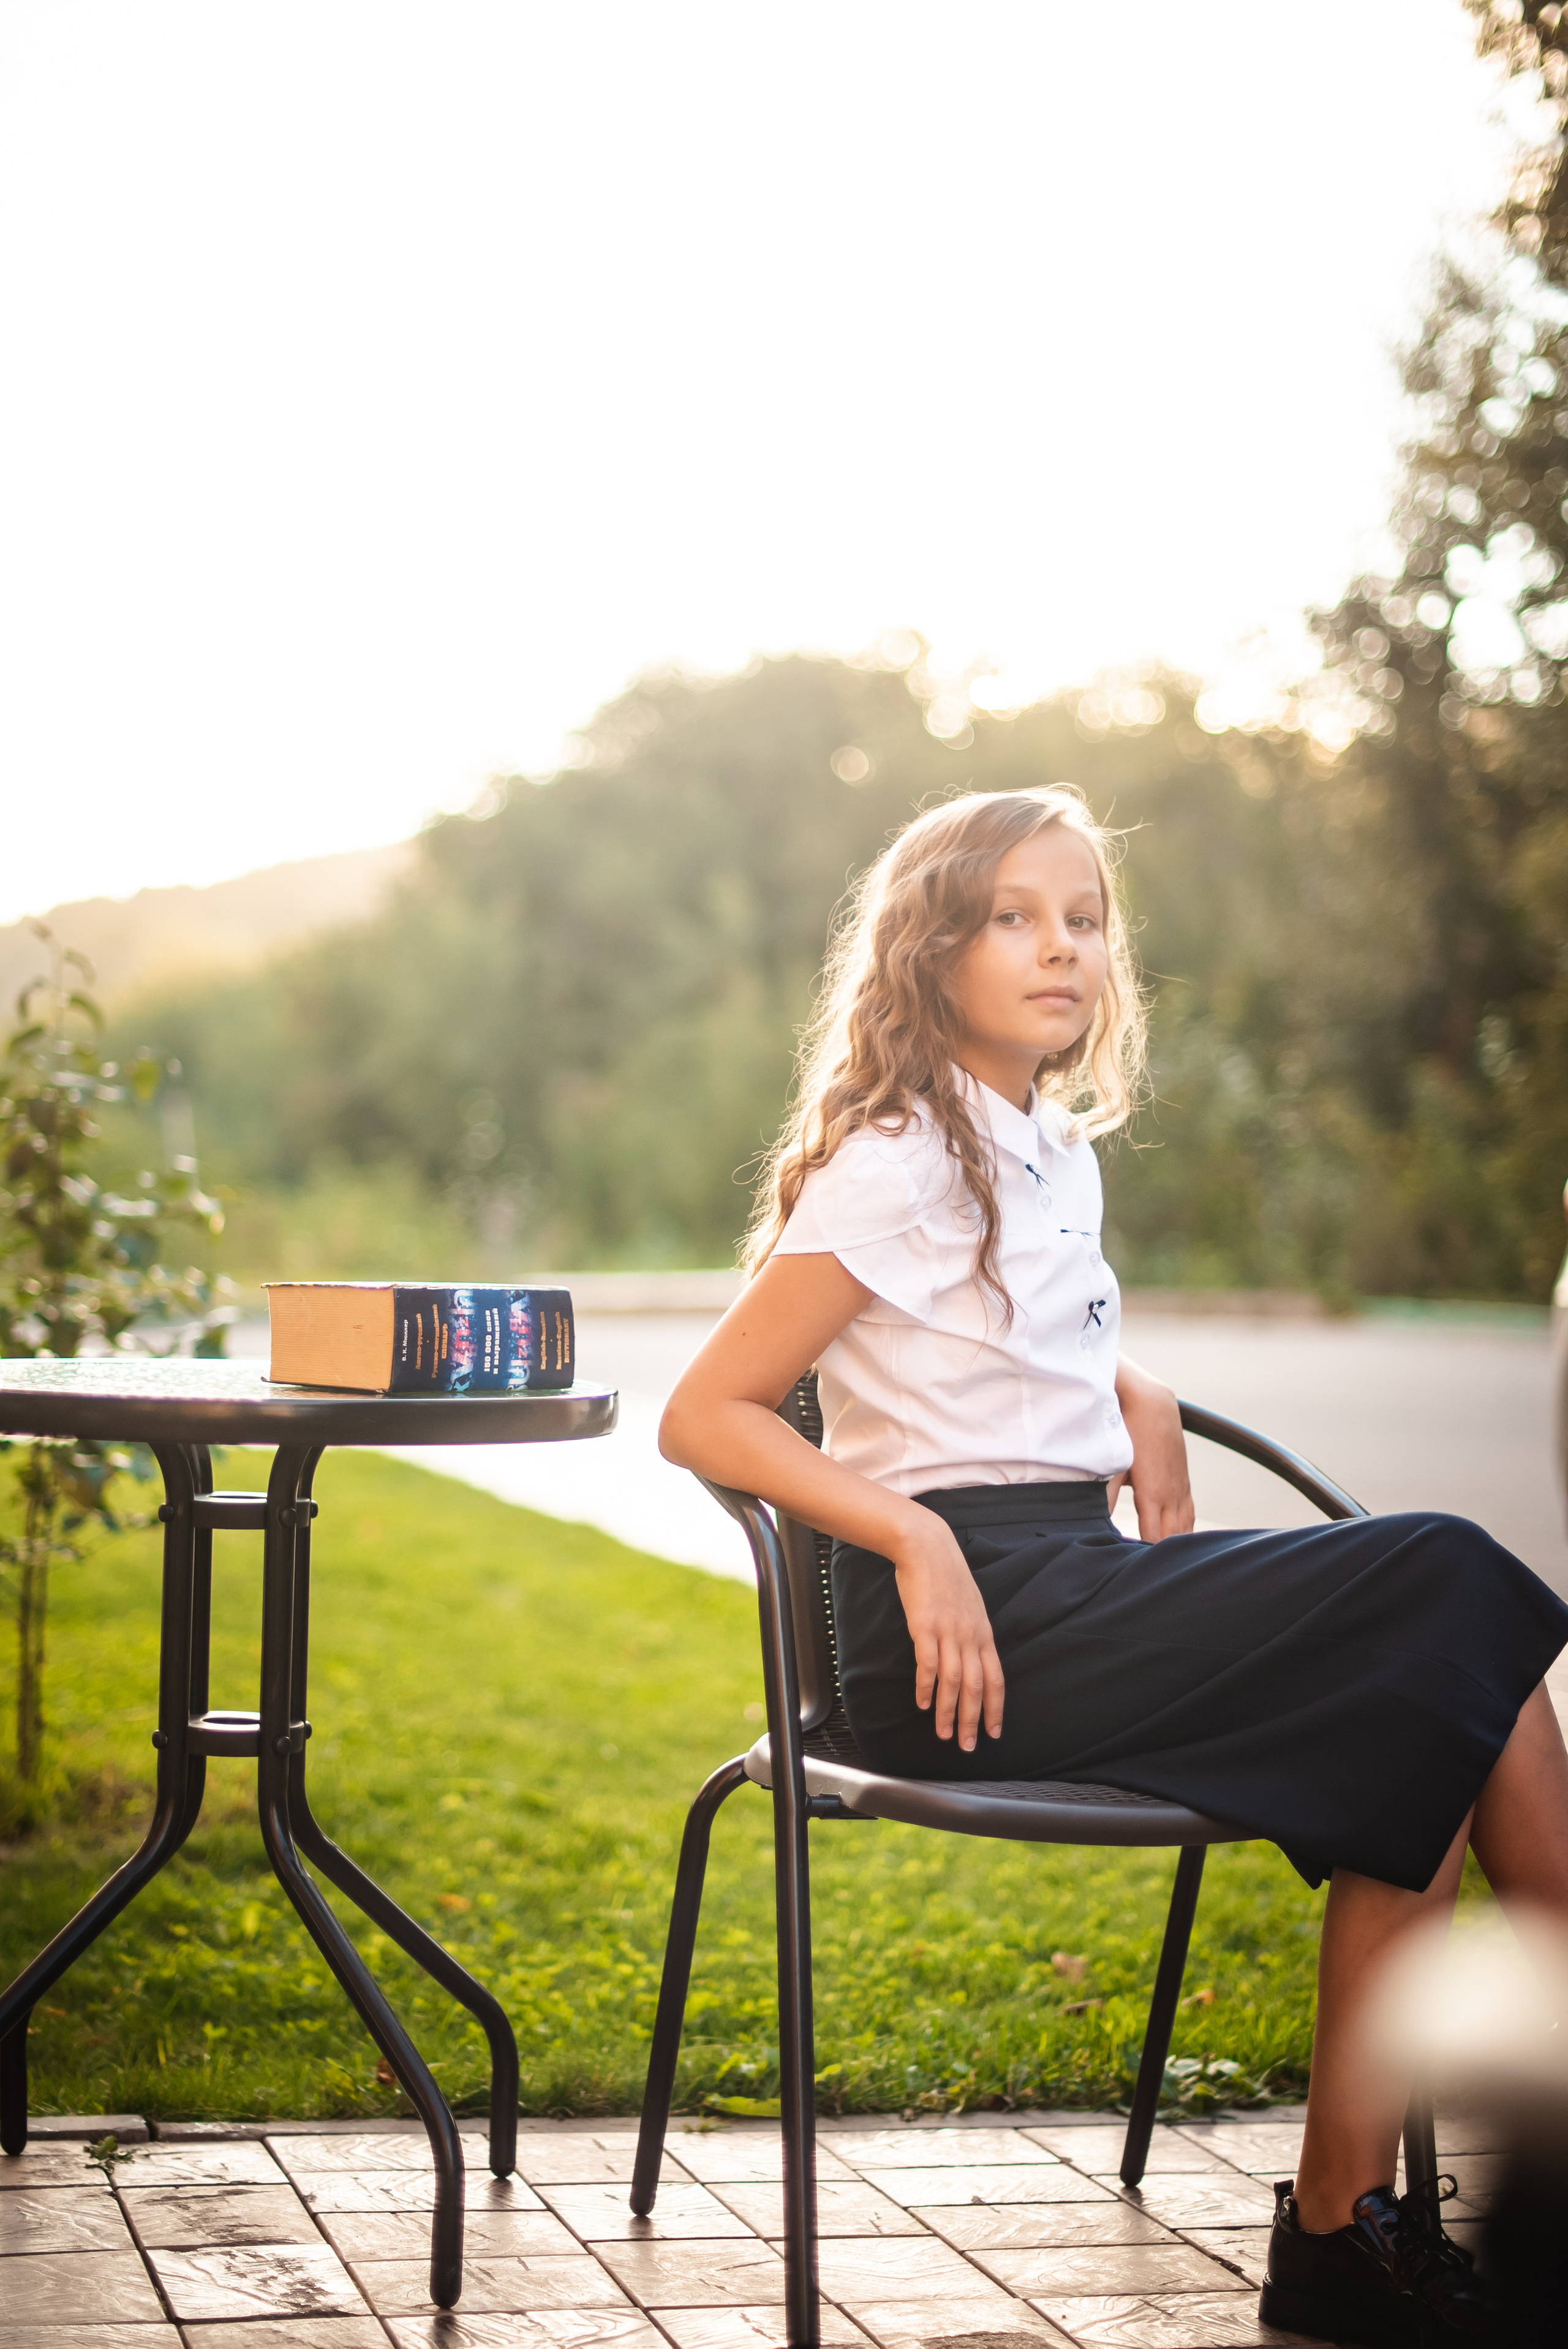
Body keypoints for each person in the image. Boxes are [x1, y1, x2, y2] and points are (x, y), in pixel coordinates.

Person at [659, 786, 1568, 2348]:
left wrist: (1127, 1385)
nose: (1059, 948)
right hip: (959, 1641)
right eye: (1012, 918)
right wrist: (910, 1532)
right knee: (1442, 1577)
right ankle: (1352, 2222)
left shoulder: (1045, 1148)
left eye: (1081, 920)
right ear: (929, 950)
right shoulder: (895, 1155)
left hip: (1069, 1593)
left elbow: (989, 1344)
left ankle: (1340, 2233)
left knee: (1434, 1691)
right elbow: (706, 1414)